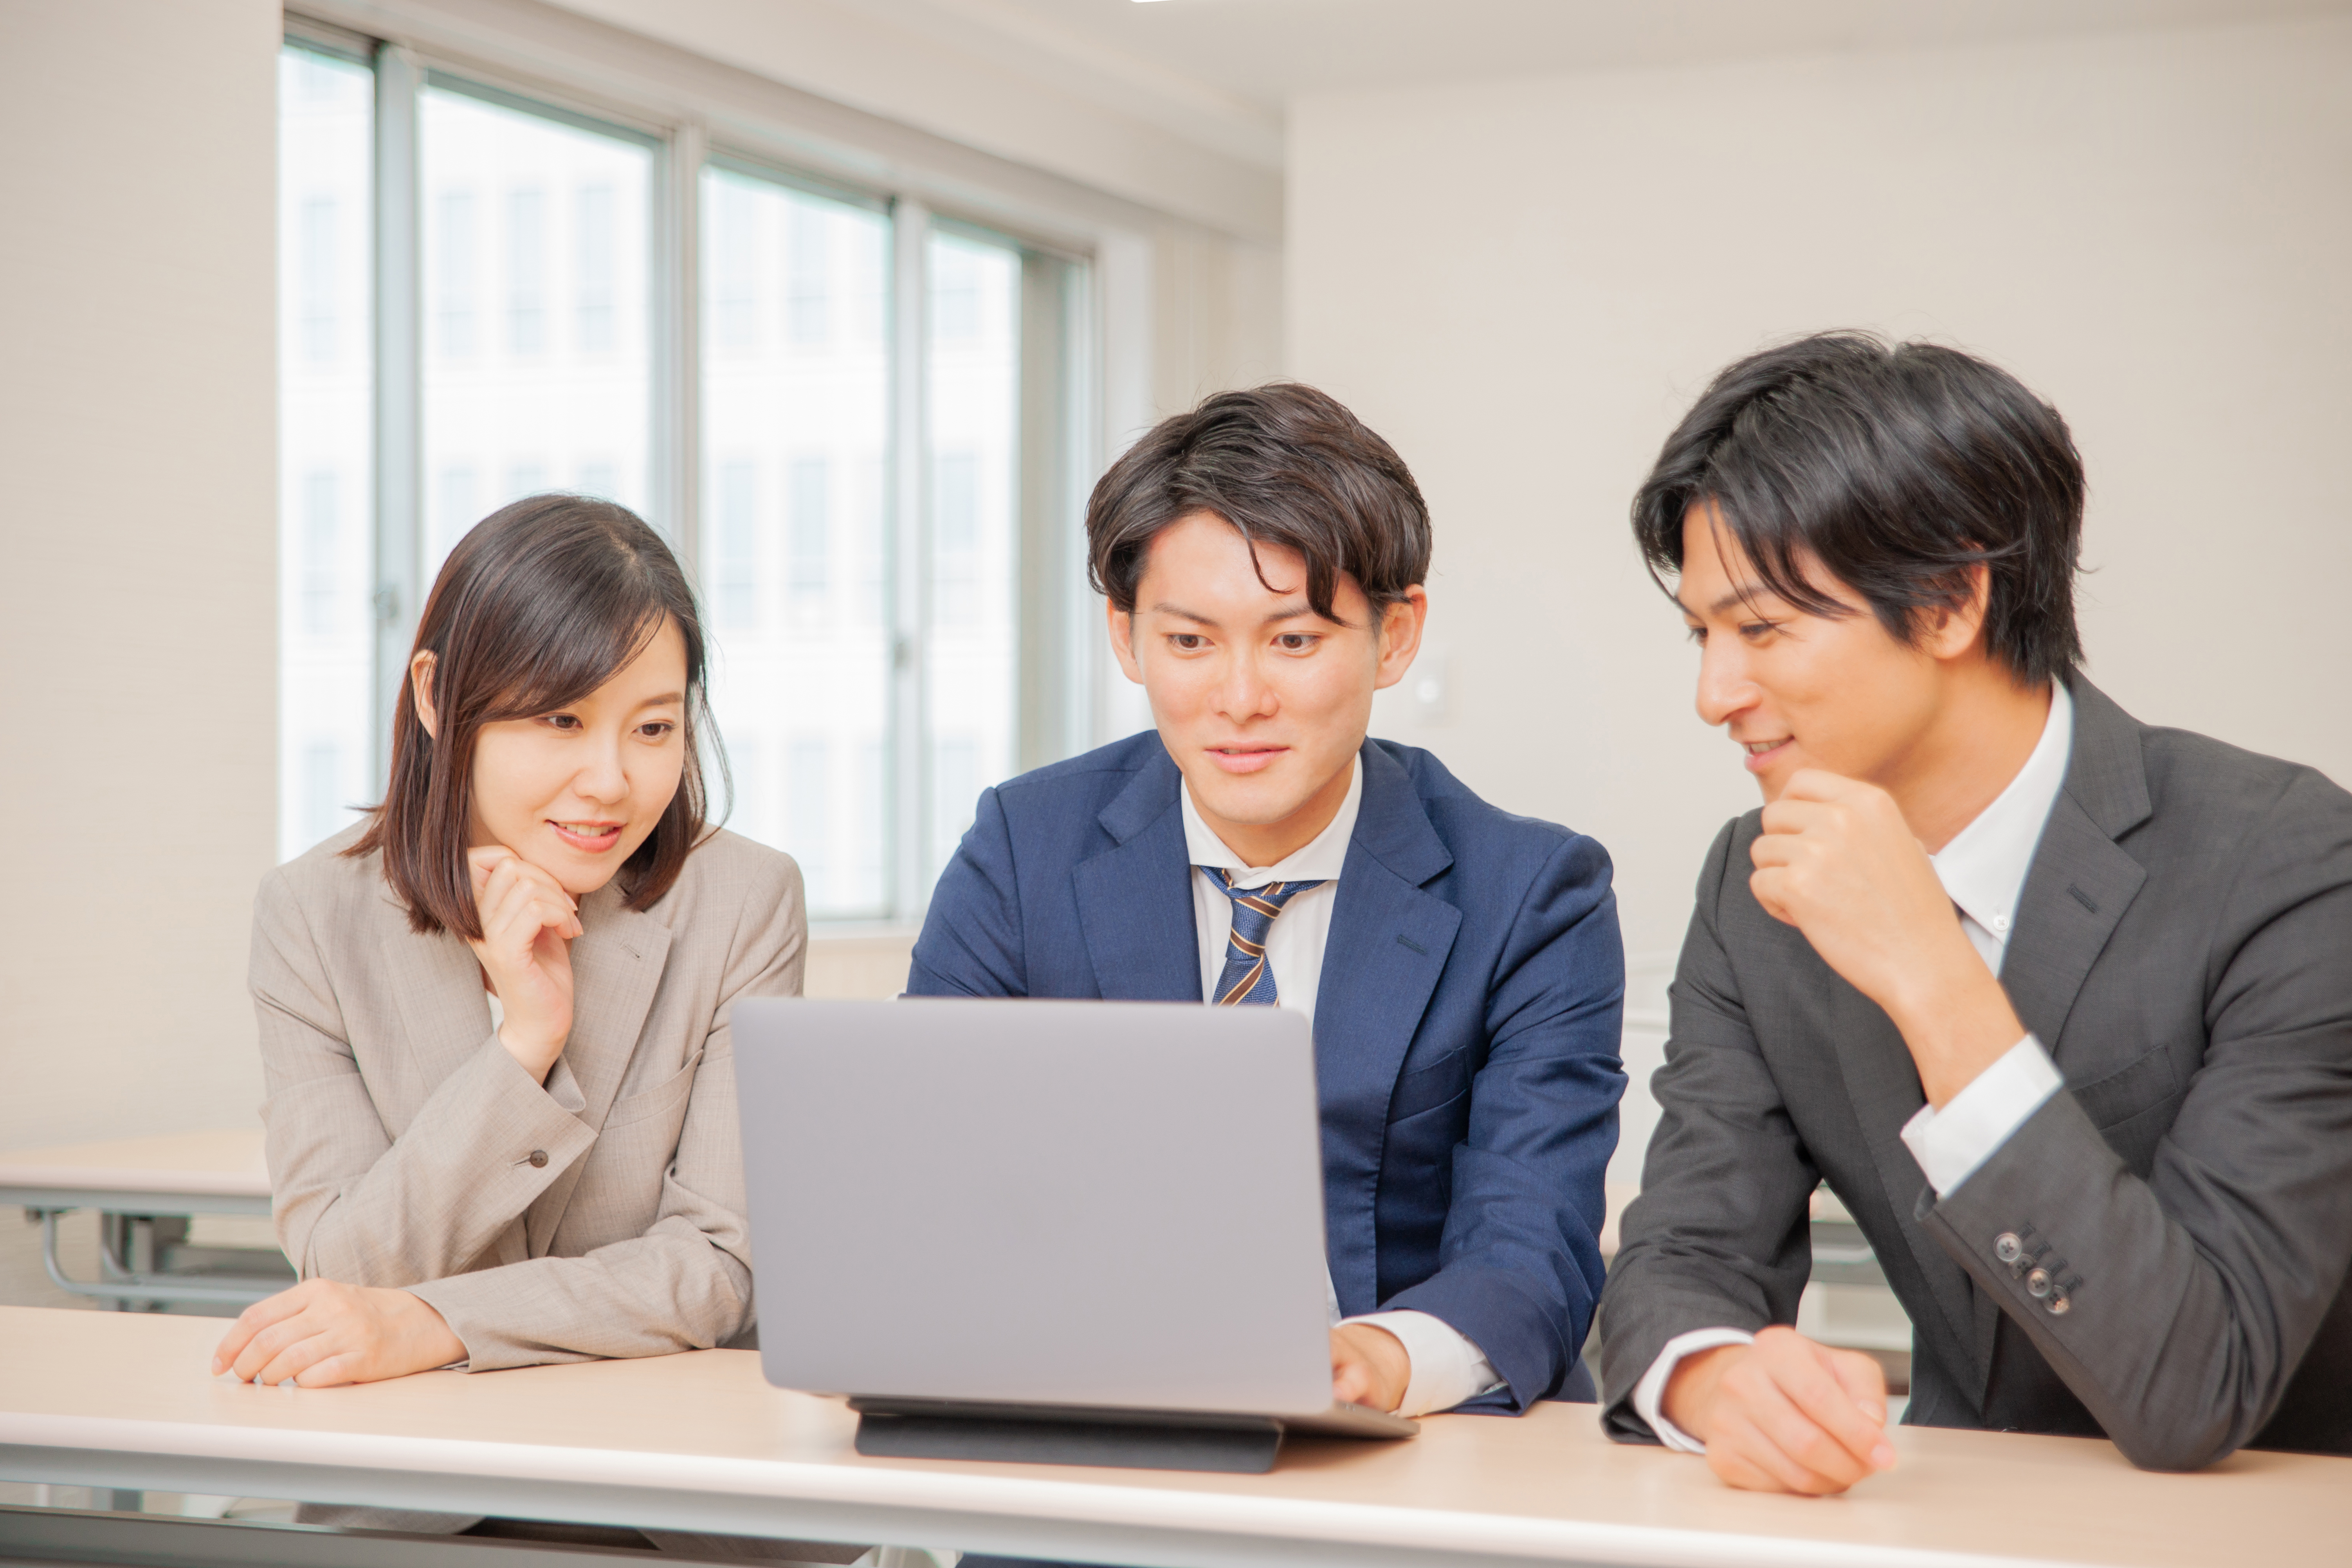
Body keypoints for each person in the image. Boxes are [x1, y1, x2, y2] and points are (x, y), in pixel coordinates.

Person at [1596, 332, 2352, 1494]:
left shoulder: (2288, 862)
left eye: (1760, 629)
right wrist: (1714, 1378)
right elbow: (1685, 1252)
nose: (1713, 695)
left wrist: (1932, 979)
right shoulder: (1751, 882)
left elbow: (2201, 1384)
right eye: (1701, 634)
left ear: (1949, 600)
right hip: (1942, 1513)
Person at [909, 383, 1627, 1431]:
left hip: (1404, 1458)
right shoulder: (1025, 850)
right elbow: (931, 1170)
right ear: (1126, 638)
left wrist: (1376, 1362)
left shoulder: (1530, 894)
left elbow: (1533, 1250)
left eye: (1292, 641)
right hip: (1089, 1428)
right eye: (1190, 643)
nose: (1238, 699)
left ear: (1394, 637)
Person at [213, 496, 858, 1561]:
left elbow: (712, 1268)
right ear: (435, 696)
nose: (611, 780)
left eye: (653, 727)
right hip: (411, 1501)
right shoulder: (313, 917)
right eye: (560, 720)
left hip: (683, 1500)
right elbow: (342, 1259)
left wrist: (431, 1323)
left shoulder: (741, 902)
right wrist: (524, 1043)